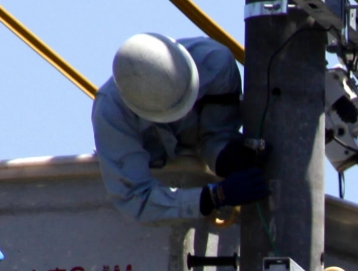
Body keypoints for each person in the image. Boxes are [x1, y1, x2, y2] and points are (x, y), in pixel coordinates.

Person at [92, 33, 270, 222]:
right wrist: (212, 197)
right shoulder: (111, 113)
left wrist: (224, 156)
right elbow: (135, 197)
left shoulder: (214, 64)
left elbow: (216, 134)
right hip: (159, 183)